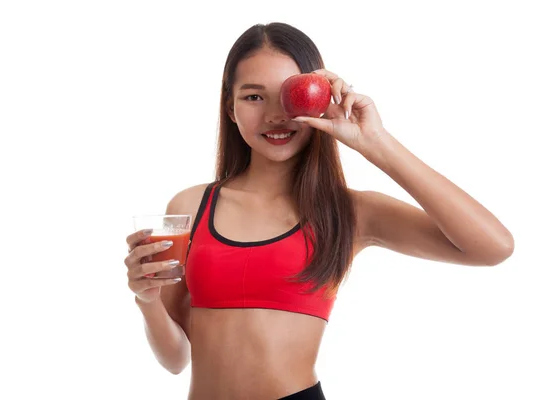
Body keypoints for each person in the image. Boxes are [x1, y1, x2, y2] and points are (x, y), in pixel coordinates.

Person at [123, 22, 514, 400]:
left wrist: (375, 141)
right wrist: (147, 299)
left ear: (319, 98)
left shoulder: (350, 211)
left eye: (290, 95)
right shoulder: (189, 206)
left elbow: (493, 247)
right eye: (254, 96)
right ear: (230, 107)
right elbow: (176, 359)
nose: (276, 115)